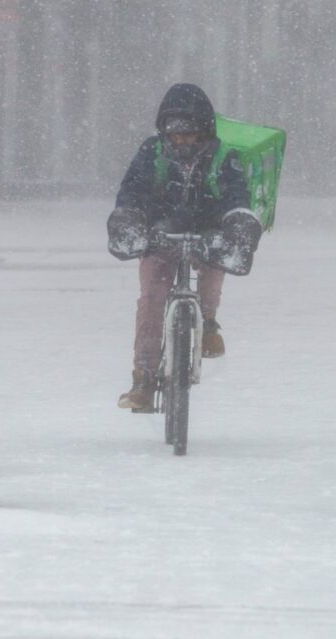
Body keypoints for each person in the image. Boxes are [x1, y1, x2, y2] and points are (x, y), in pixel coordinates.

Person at [107, 83, 262, 410]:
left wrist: (237, 223)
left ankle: (207, 321)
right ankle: (144, 378)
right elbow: (132, 191)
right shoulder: (152, 153)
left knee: (213, 268)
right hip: (160, 234)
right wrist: (130, 219)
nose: (182, 141)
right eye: (175, 135)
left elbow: (237, 196)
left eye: (190, 135)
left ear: (204, 132)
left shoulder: (224, 158)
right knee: (151, 297)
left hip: (207, 232)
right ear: (164, 132)